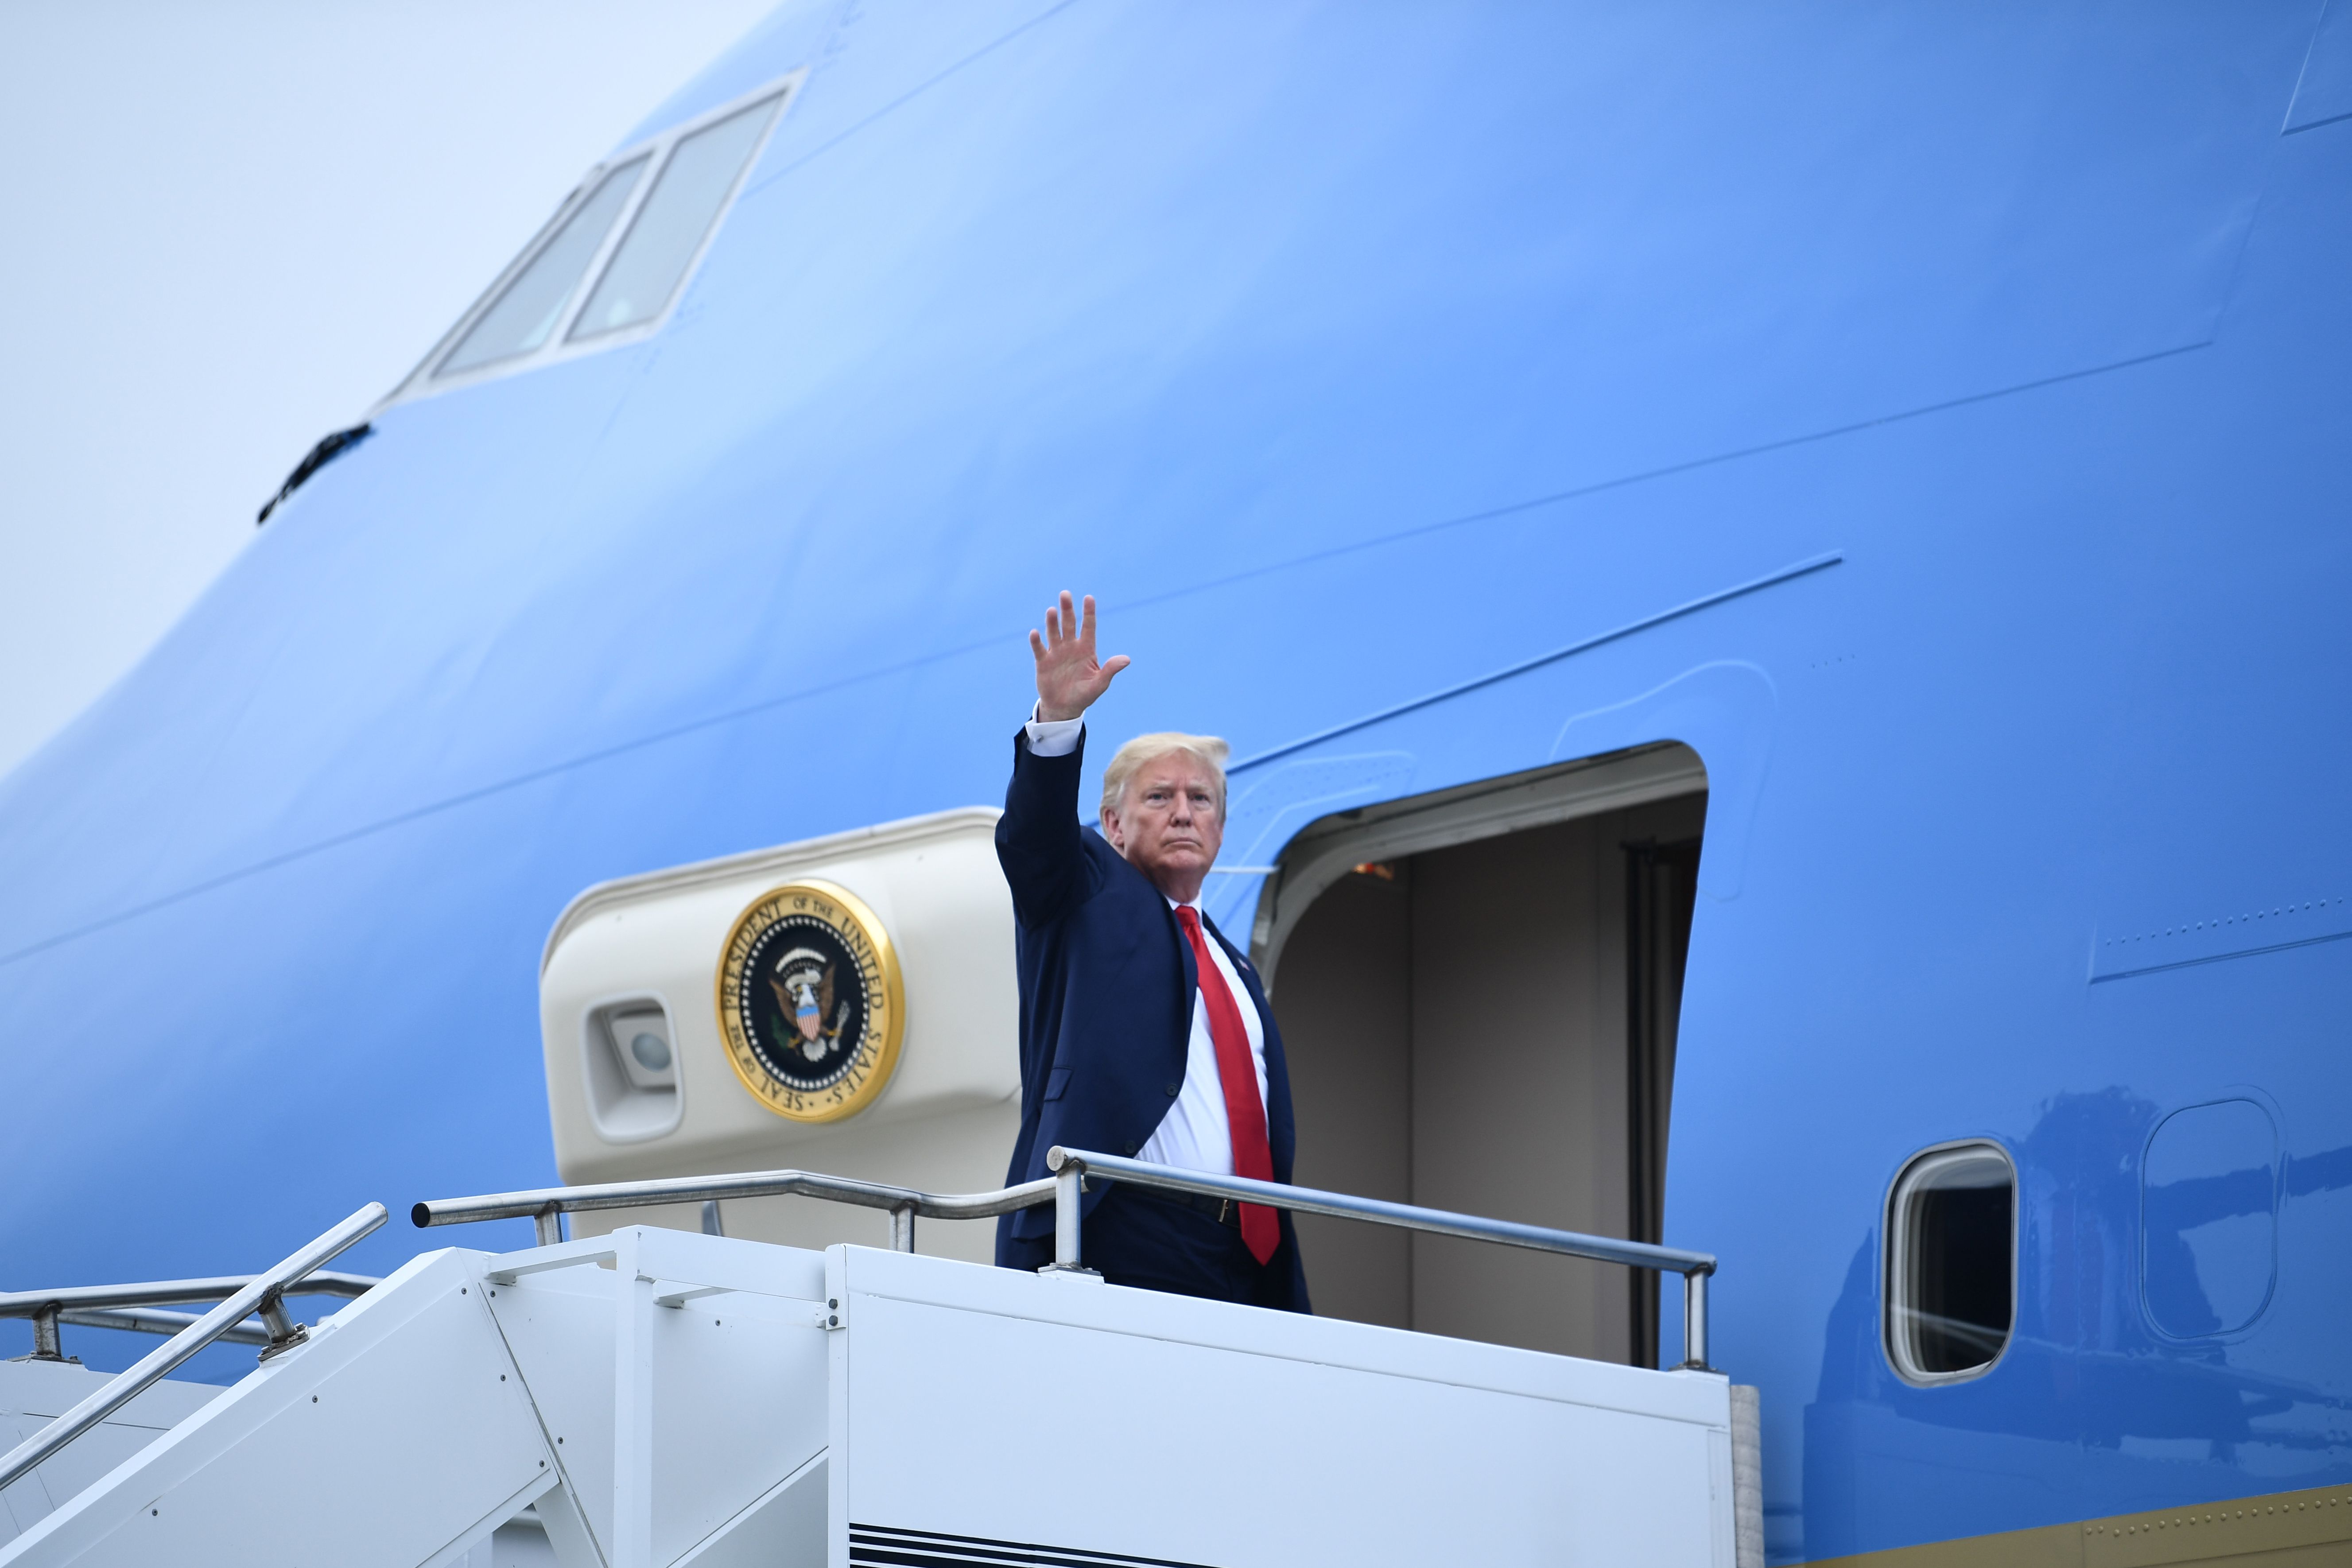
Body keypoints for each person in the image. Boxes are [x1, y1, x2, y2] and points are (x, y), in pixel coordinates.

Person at [992, 591, 1310, 1312]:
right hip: (1118, 1233)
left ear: (1221, 831)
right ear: (1111, 824)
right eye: (1159, 797)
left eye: (1201, 800)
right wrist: (1058, 724)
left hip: (1249, 1260)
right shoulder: (1085, 895)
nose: (1183, 812)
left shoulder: (1234, 969)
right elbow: (1031, 841)